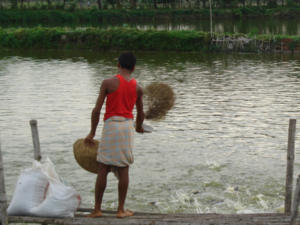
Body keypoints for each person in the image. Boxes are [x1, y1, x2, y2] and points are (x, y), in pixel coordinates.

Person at [84, 52, 144, 218]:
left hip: (111, 126)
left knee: (103, 167)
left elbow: (96, 111)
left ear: (118, 65)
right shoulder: (138, 88)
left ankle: (97, 209)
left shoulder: (108, 83)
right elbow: (141, 113)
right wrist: (138, 127)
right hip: (126, 127)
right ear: (133, 68)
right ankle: (120, 210)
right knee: (124, 168)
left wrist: (91, 133)